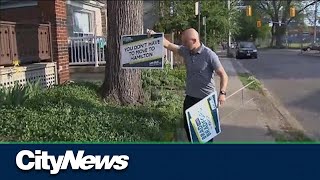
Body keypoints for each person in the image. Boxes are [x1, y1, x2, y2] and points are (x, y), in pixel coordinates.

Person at [148, 28, 228, 142]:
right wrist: (155, 35)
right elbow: (169, 45)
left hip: (205, 100)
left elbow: (223, 75)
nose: (183, 44)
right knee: (190, 130)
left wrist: (222, 93)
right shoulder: (186, 51)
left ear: (194, 40)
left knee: (205, 135)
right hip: (190, 98)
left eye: (186, 42)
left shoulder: (209, 55)